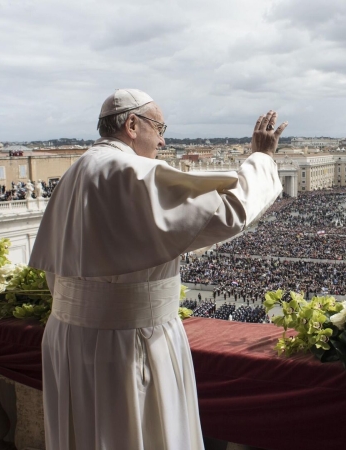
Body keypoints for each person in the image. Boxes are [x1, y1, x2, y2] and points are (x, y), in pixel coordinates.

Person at [29, 88, 286, 450]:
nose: (163, 140)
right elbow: (229, 212)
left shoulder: (76, 171)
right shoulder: (129, 171)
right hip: (129, 341)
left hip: (67, 338)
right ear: (132, 124)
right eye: (160, 127)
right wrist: (261, 157)